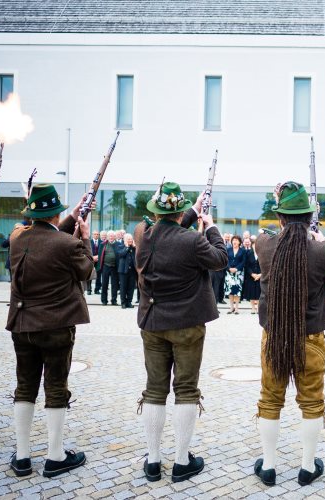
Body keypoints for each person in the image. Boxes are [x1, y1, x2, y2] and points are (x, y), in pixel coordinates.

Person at [253, 181, 325, 487]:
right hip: (311, 338)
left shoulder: (264, 245)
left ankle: (268, 466)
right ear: (309, 219)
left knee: (270, 399)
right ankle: (307, 468)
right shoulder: (320, 250)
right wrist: (324, 242)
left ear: (280, 217)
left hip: (275, 336)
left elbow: (279, 236)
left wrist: (280, 198)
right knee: (311, 402)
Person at [134, 183, 227, 484]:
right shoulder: (192, 240)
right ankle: (182, 461)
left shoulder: (143, 236)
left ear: (157, 211)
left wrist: (192, 210)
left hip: (153, 322)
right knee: (186, 389)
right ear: (179, 211)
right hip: (187, 323)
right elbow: (220, 259)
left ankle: (153, 459)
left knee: (154, 390)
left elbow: (167, 233)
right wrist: (210, 226)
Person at [6, 185, 94, 478]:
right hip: (56, 325)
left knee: (25, 386)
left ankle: (22, 457)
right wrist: (86, 237)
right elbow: (87, 271)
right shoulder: (68, 245)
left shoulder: (17, 236)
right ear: (56, 214)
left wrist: (72, 215)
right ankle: (55, 456)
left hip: (22, 324)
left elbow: (46, 238)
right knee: (56, 387)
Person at [98, 230, 122, 306]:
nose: (111, 237)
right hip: (105, 266)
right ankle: (104, 300)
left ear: (115, 237)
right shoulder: (103, 244)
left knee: (115, 285)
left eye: (112, 236)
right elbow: (99, 255)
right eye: (109, 236)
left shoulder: (119, 244)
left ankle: (114, 300)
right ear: (107, 237)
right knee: (104, 284)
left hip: (115, 267)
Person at [225, 235, 245, 314]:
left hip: (238, 273)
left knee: (237, 291)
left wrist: (236, 269)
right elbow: (225, 260)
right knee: (230, 290)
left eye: (236, 240)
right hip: (229, 273)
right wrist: (229, 268)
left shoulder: (242, 251)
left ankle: (236, 308)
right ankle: (231, 307)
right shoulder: (228, 250)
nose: (235, 241)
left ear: (239, 242)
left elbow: (243, 262)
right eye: (233, 240)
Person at [242, 236, 261, 314]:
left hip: (260, 275)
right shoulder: (248, 253)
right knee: (252, 292)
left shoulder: (262, 253)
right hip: (251, 276)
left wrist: (260, 274)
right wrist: (252, 274)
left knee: (259, 292)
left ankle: (259, 308)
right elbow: (246, 265)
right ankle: (253, 308)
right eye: (254, 244)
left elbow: (265, 264)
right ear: (252, 245)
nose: (255, 246)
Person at [117, 234, 137, 309]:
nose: (130, 241)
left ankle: (129, 302)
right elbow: (121, 255)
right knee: (123, 287)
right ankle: (123, 303)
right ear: (125, 240)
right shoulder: (120, 246)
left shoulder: (134, 248)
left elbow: (137, 255)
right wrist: (127, 247)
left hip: (132, 270)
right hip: (123, 270)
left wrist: (134, 247)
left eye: (131, 239)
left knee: (131, 287)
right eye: (128, 239)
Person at [86, 231, 100, 295]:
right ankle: (89, 289)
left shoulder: (101, 242)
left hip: (99, 261)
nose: (96, 235)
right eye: (95, 234)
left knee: (98, 275)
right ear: (92, 235)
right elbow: (86, 251)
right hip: (90, 260)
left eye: (97, 234)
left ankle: (97, 290)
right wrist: (92, 257)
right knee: (89, 275)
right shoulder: (89, 242)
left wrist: (98, 257)